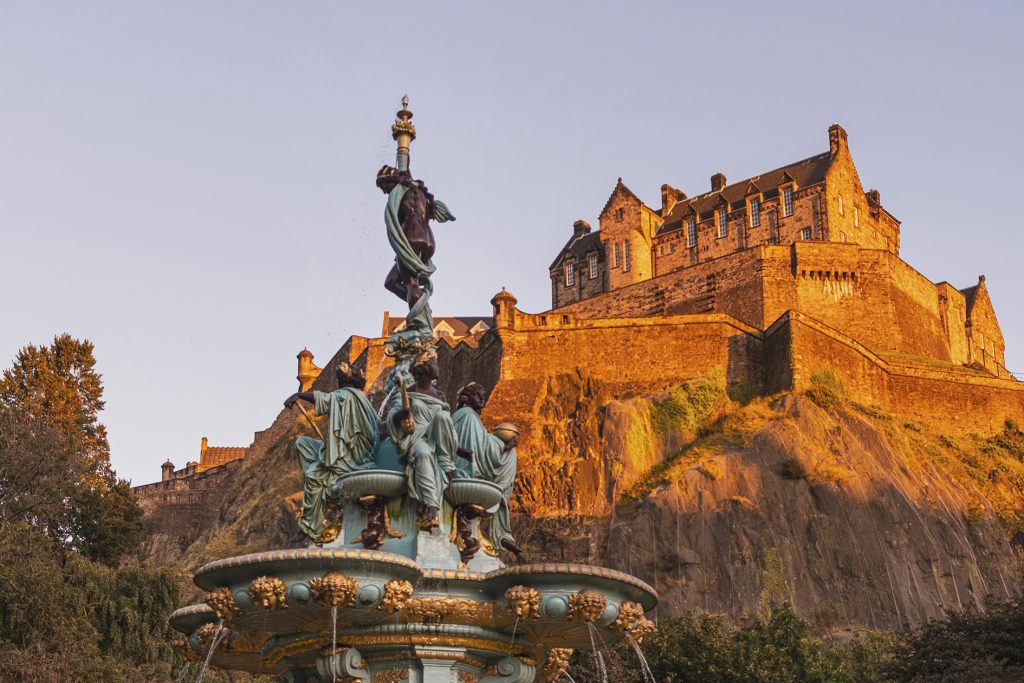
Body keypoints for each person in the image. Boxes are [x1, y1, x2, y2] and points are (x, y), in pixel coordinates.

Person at [284, 362, 378, 542]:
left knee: (313, 476)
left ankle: (310, 527)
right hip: (343, 452)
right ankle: (325, 477)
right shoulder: (362, 399)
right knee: (303, 443)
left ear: (345, 381)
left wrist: (299, 394)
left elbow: (325, 400)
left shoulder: (347, 395)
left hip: (350, 457)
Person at [451, 382, 524, 557]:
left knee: (509, 455)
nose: (482, 400)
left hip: (465, 467)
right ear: (467, 398)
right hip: (465, 469)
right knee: (510, 456)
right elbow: (480, 449)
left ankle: (502, 533)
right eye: (478, 396)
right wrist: (505, 446)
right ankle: (500, 533)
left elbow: (482, 442)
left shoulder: (464, 417)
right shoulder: (468, 417)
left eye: (484, 396)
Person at [385, 351, 457, 530]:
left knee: (441, 415)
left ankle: (445, 461)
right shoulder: (408, 392)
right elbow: (391, 416)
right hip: (417, 438)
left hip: (438, 438)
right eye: (434, 363)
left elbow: (448, 425)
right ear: (425, 368)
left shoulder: (440, 396)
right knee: (423, 453)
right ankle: (432, 507)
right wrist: (401, 415)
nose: (438, 368)